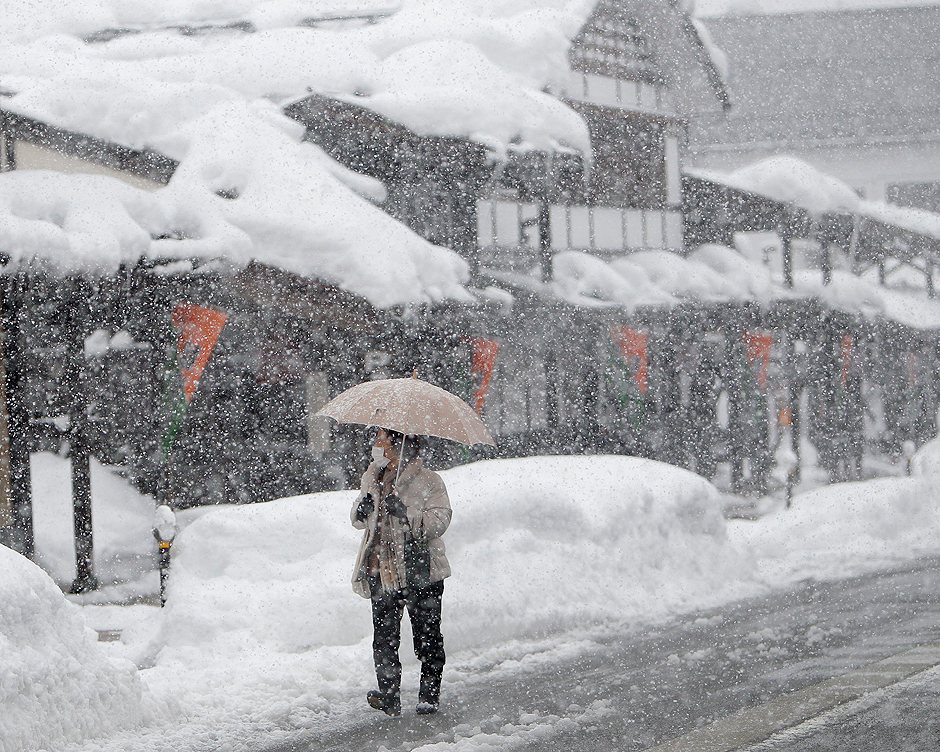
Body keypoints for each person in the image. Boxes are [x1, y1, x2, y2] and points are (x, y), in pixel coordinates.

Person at [351, 428, 452, 716]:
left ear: (398, 445)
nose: (376, 445)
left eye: (381, 439)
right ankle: (389, 696)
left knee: (427, 635)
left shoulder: (430, 481)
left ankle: (428, 696)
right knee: (383, 638)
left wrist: (405, 513)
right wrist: (362, 509)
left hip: (419, 571)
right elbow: (359, 519)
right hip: (380, 570)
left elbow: (439, 521)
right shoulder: (373, 475)